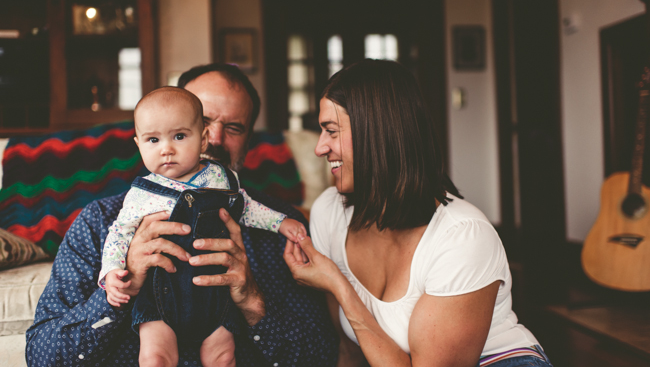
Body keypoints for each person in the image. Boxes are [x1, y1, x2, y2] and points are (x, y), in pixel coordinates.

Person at [26, 63, 338, 367]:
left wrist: (253, 304)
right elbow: (41, 357)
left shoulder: (279, 228)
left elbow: (321, 357)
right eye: (201, 121)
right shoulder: (100, 221)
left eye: (233, 128)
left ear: (248, 141)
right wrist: (116, 293)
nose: (213, 139)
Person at [284, 59, 553, 367]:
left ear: (378, 134)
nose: (320, 148)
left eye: (331, 131)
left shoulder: (462, 236)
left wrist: (340, 286)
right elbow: (351, 348)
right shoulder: (329, 213)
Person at [100, 87, 306, 367]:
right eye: (152, 139)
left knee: (223, 357)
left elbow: (246, 207)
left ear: (203, 139)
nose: (167, 149)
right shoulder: (142, 194)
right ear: (138, 144)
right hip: (161, 298)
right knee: (155, 358)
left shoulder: (220, 178)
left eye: (180, 136)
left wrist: (281, 222)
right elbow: (119, 234)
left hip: (217, 297)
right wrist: (112, 272)